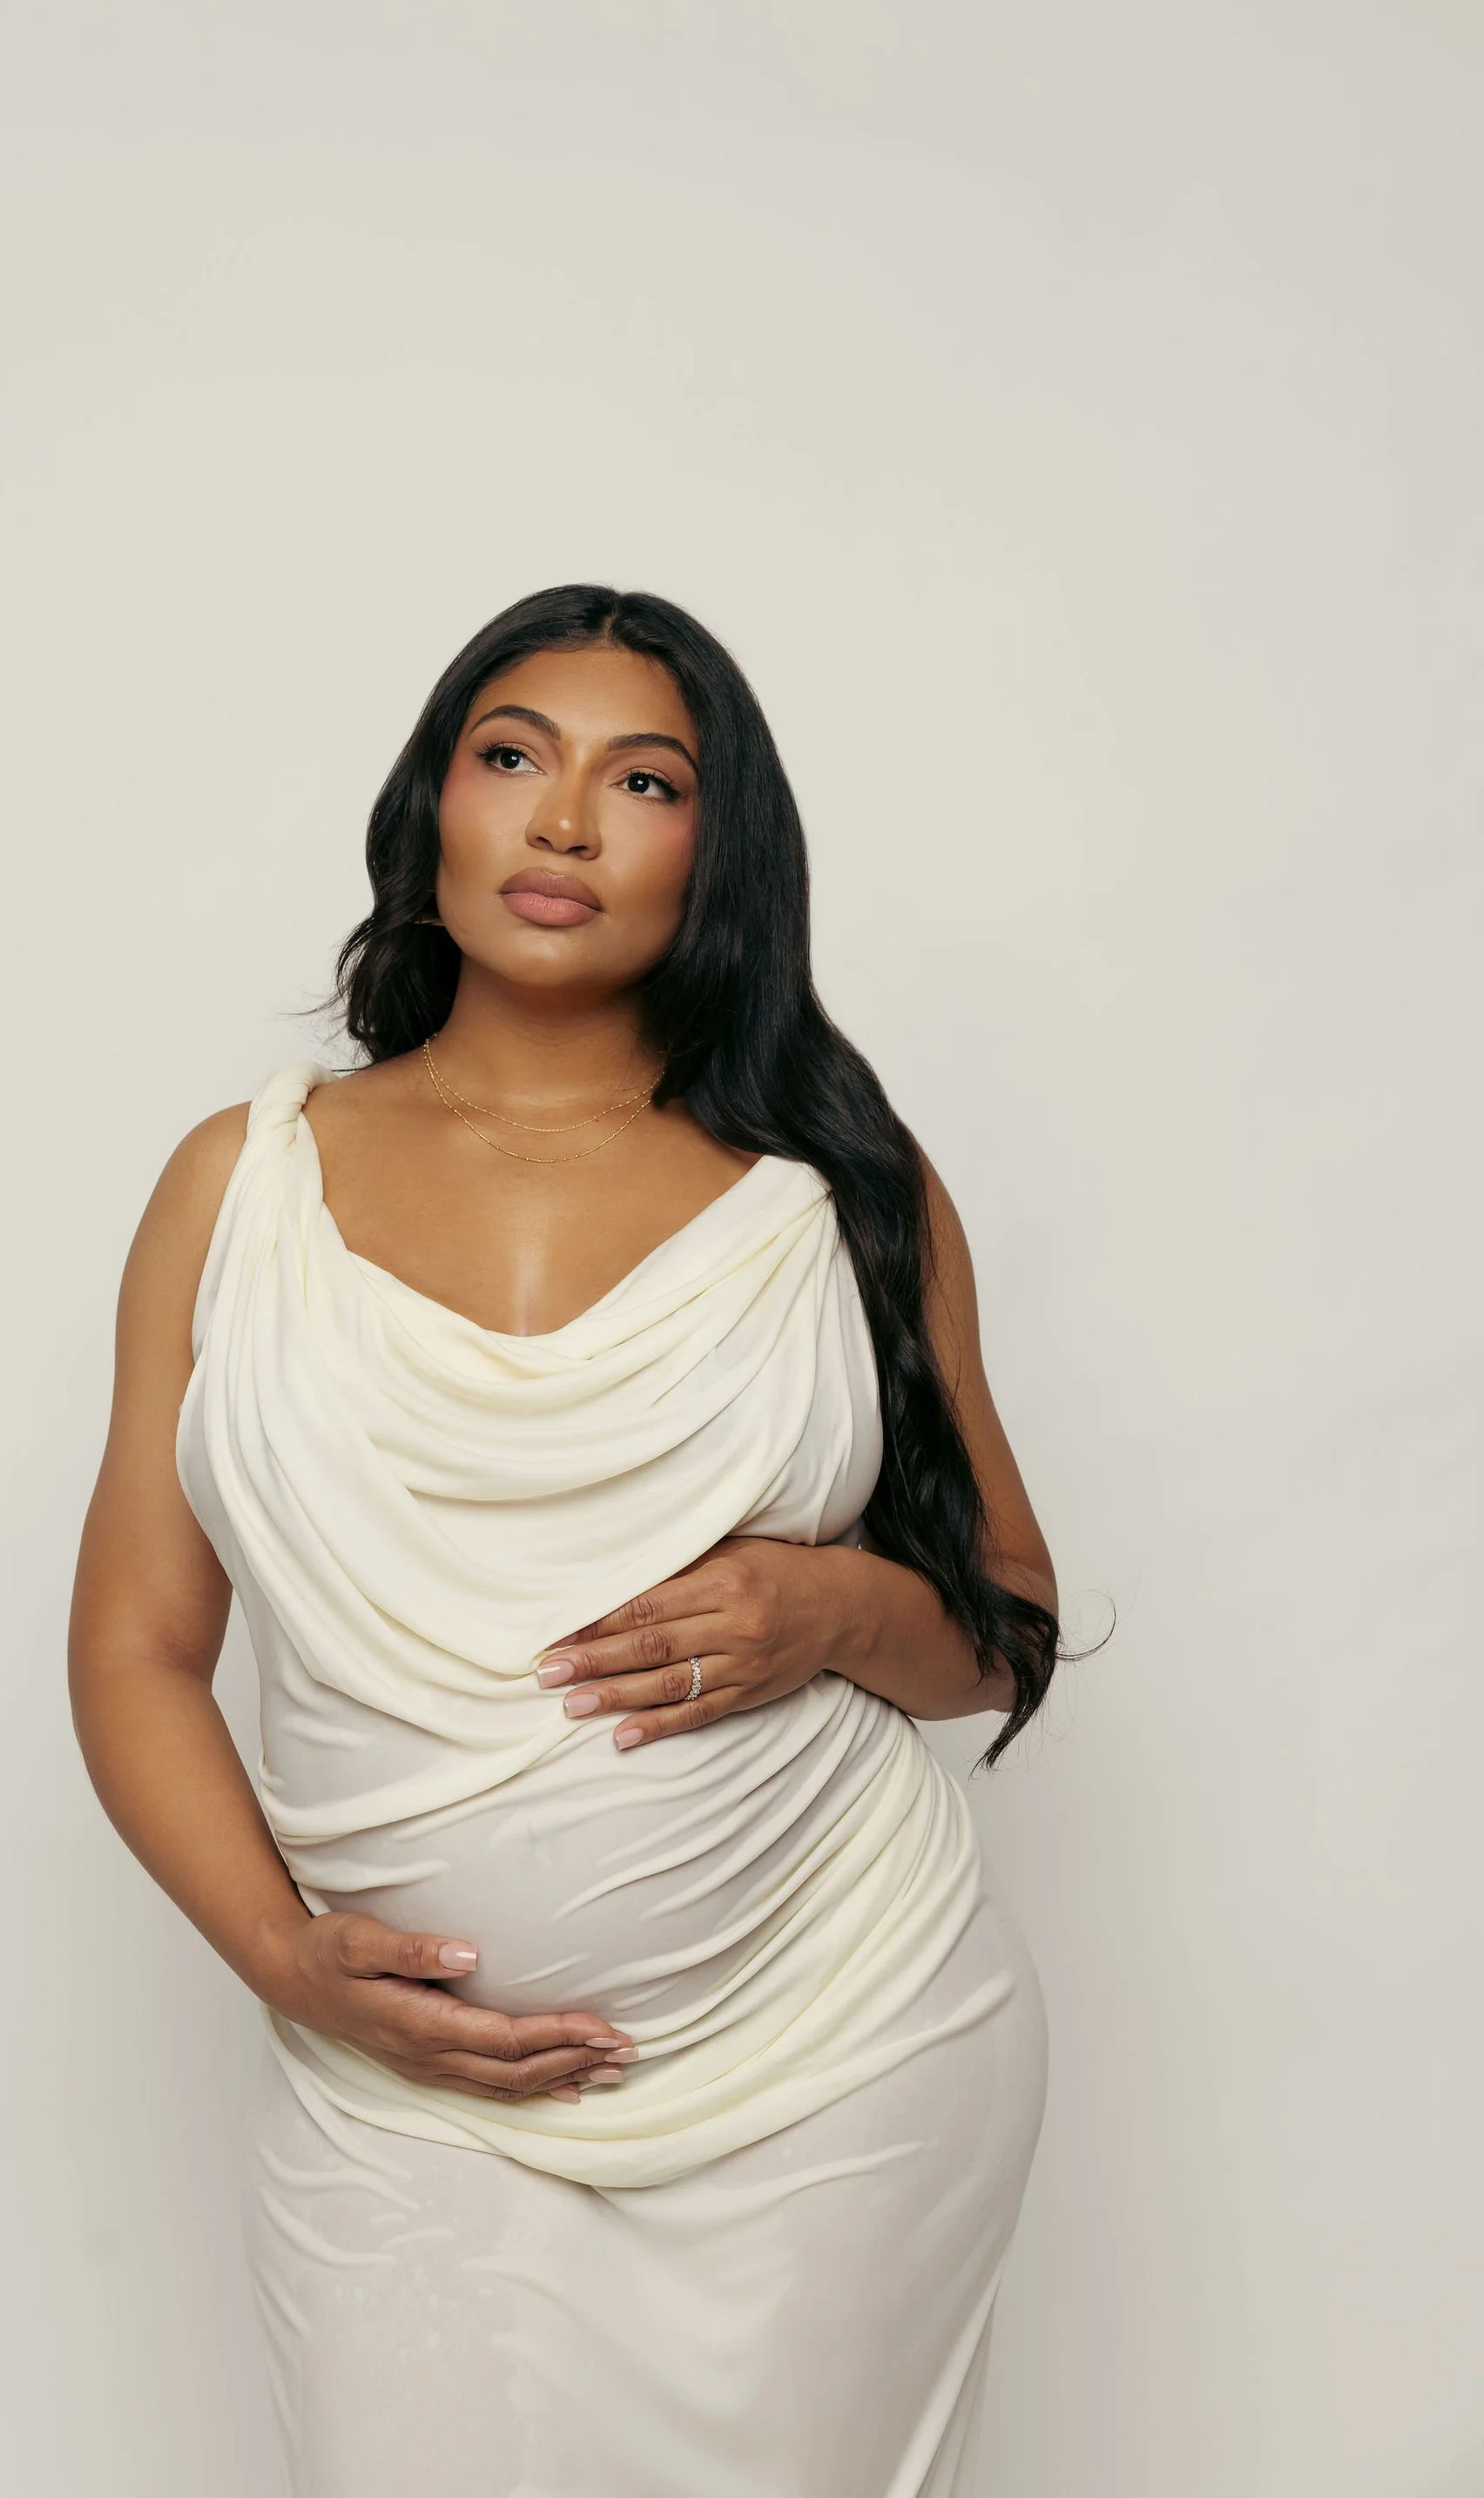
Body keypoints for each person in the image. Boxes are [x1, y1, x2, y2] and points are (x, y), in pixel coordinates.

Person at [69, 584, 1059, 2496]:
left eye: (646, 781)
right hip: (405, 2096)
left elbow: (1004, 1623)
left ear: (721, 850)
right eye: (511, 755)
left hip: (845, 2049)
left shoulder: (838, 1189)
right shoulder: (239, 1183)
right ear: (430, 804)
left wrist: (836, 1606)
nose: (565, 820)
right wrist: (279, 1954)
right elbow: (136, 1647)